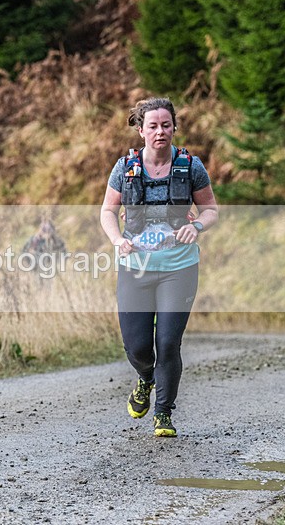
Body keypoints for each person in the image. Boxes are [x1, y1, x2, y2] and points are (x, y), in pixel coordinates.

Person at [100, 97, 218, 437]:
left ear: (174, 127)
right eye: (152, 126)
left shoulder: (190, 166)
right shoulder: (125, 168)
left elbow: (210, 209)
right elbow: (108, 211)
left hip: (179, 268)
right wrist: (116, 239)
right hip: (135, 267)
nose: (160, 131)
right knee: (137, 346)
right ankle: (145, 378)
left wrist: (196, 227)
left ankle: (163, 413)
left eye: (166, 125)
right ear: (140, 130)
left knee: (167, 343)